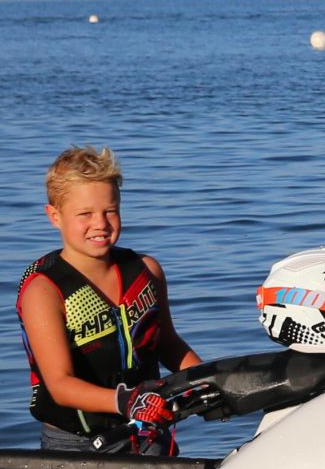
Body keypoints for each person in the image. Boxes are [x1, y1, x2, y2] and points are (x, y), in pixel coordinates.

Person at [17, 147, 201, 453]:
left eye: (110, 210)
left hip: (148, 432)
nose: (100, 223)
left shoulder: (147, 271)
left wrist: (209, 380)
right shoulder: (44, 290)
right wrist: (126, 400)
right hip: (75, 444)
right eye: (85, 214)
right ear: (55, 216)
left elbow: (167, 344)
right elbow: (60, 385)